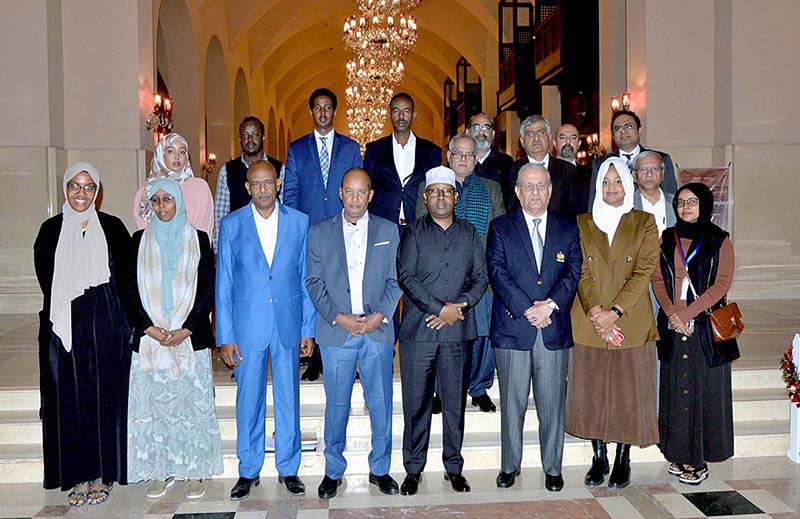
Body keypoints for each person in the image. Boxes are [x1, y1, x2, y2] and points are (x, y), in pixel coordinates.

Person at [216, 160, 316, 500]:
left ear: (278, 184)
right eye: (255, 183)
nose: (262, 189)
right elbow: (224, 282)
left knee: (289, 397)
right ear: (247, 187)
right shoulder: (231, 225)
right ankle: (248, 469)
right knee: (249, 400)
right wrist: (225, 335)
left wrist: (308, 327)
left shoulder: (299, 223)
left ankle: (289, 468)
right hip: (247, 327)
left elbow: (305, 279)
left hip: (287, 322)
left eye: (268, 182)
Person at [34, 162, 131, 506]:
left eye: (89, 187)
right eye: (75, 186)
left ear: (97, 191)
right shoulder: (50, 230)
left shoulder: (114, 228)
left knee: (104, 400)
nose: (81, 193)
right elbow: (46, 280)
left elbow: (125, 280)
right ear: (65, 188)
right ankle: (77, 476)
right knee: (70, 400)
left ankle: (103, 474)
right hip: (64, 326)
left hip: (106, 325)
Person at [305, 168, 403, 499]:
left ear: (370, 195)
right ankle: (333, 470)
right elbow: (313, 282)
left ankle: (381, 469)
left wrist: (378, 316)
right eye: (350, 191)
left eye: (362, 192)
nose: (356, 198)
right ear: (341, 194)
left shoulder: (389, 230)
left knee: (380, 404)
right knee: (336, 405)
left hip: (376, 331)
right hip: (337, 333)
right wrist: (339, 317)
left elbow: (395, 280)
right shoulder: (319, 232)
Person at [486, 163, 582, 492]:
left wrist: (551, 305)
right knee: (511, 405)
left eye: (541, 185)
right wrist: (528, 308)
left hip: (553, 328)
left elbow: (574, 270)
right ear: (517, 191)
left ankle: (552, 468)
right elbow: (497, 272)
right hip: (514, 328)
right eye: (528, 186)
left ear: (551, 190)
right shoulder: (500, 227)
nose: (535, 192)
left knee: (552, 404)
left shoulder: (567, 227)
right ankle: (509, 466)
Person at [125, 179, 223, 500]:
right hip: (151, 340)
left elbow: (208, 289)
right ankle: (161, 469)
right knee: (157, 409)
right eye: (157, 200)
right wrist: (148, 327)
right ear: (150, 206)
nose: (163, 205)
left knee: (191, 409)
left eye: (168, 199)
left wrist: (187, 328)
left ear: (179, 201)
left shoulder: (198, 238)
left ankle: (194, 470)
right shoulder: (138, 240)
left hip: (187, 338)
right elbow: (128, 291)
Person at [566, 157, 659, 489]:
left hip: (630, 320)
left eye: (617, 181)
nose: (611, 188)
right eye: (605, 182)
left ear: (628, 185)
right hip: (589, 321)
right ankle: (599, 456)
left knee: (627, 393)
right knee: (591, 392)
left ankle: (623, 457)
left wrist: (614, 313)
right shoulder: (582, 222)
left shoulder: (644, 222)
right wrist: (597, 313)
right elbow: (579, 271)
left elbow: (644, 270)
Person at [396, 166, 489, 496]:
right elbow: (407, 277)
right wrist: (440, 310)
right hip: (419, 333)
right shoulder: (414, 233)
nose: (440, 197)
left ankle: (454, 467)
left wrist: (458, 308)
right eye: (433, 192)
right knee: (416, 404)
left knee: (454, 405)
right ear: (425, 197)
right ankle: (413, 469)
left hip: (457, 332)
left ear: (455, 196)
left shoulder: (470, 233)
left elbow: (481, 278)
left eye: (446, 192)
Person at [652, 183, 738, 486]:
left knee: (702, 391)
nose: (686, 207)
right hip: (673, 324)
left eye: (692, 202)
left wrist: (686, 314)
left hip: (704, 326)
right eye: (680, 202)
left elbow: (722, 283)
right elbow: (657, 278)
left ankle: (699, 459)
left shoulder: (718, 240)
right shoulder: (666, 238)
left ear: (704, 204)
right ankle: (677, 452)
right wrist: (673, 314)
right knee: (676, 389)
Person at [415, 134, 504, 413]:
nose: (464, 159)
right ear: (449, 156)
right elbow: (420, 229)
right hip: (440, 281)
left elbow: (496, 233)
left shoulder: (491, 189)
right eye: (458, 154)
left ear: (477, 158)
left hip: (481, 279)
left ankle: (478, 387)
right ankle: (443, 391)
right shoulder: (429, 188)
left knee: (481, 337)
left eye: (469, 154)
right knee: (444, 339)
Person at [283, 88, 363, 381]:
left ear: (334, 111)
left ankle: (349, 352)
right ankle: (316, 357)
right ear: (311, 112)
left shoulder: (351, 147)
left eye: (328, 107)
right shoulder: (297, 149)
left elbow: (359, 189)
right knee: (313, 290)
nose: (323, 112)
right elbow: (290, 194)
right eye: (317, 107)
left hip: (343, 230)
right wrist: (293, 232)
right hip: (309, 232)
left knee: (344, 289)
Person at [364, 92, 442, 227]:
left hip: (419, 224)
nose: (401, 116)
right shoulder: (374, 150)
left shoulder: (432, 152)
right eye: (396, 111)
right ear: (389, 115)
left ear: (414, 115)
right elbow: (367, 186)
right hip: (382, 224)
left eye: (406, 111)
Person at [213, 116, 284, 251]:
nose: (250, 139)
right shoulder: (228, 170)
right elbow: (220, 214)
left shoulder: (279, 168)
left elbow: (285, 208)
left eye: (255, 134)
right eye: (245, 135)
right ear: (240, 139)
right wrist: (218, 248)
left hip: (271, 242)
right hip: (238, 243)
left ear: (263, 137)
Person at [588, 110, 677, 209]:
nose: (623, 131)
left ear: (639, 130)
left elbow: (671, 196)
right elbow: (594, 200)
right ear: (613, 136)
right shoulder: (602, 163)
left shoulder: (660, 159)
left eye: (629, 126)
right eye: (618, 128)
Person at [133, 132, 214, 235]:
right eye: (171, 151)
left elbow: (204, 228)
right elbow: (144, 230)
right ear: (161, 154)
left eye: (182, 152)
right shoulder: (146, 191)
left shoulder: (199, 187)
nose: (177, 156)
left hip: (191, 247)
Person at [502, 115, 583, 217]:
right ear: (522, 141)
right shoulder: (511, 172)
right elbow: (511, 209)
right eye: (530, 134)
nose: (536, 138)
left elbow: (575, 210)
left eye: (541, 133)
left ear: (549, 137)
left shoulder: (568, 170)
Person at [632, 150, 676, 237]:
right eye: (643, 169)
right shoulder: (627, 205)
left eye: (654, 169)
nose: (649, 174)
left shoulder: (676, 203)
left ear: (662, 174)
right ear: (634, 175)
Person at [466, 112, 513, 186]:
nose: (481, 132)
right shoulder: (458, 161)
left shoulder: (505, 162)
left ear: (493, 134)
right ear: (468, 132)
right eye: (476, 127)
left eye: (487, 128)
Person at [553, 123, 591, 211]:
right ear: (554, 143)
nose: (568, 142)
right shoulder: (545, 172)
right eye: (563, 137)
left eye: (573, 138)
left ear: (579, 144)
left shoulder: (589, 174)